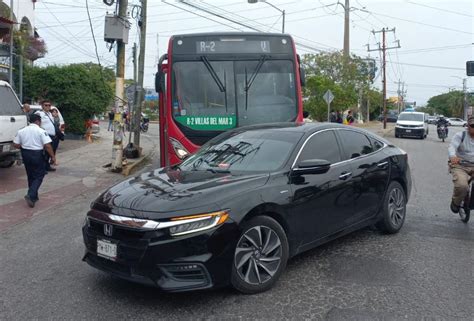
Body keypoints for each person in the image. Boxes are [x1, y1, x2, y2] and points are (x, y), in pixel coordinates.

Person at [13, 113, 56, 208]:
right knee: (39, 175)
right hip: (37, 154)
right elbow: (48, 145)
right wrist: (53, 157)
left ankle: (33, 197)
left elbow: (15, 144)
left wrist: (24, 146)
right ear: (37, 121)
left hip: (26, 154)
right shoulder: (41, 131)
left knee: (30, 175)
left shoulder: (21, 130)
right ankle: (31, 194)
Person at [448, 116, 474, 213]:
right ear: (468, 126)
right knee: (462, 186)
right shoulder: (460, 135)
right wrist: (452, 156)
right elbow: (452, 147)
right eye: (473, 125)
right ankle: (456, 202)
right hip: (460, 165)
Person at [34, 100, 62, 171]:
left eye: (49, 105)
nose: (48, 106)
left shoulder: (50, 114)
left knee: (50, 152)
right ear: (42, 106)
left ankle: (47, 166)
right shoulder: (39, 113)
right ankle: (42, 167)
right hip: (45, 135)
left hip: (53, 136)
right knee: (45, 152)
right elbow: (36, 123)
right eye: (46, 105)